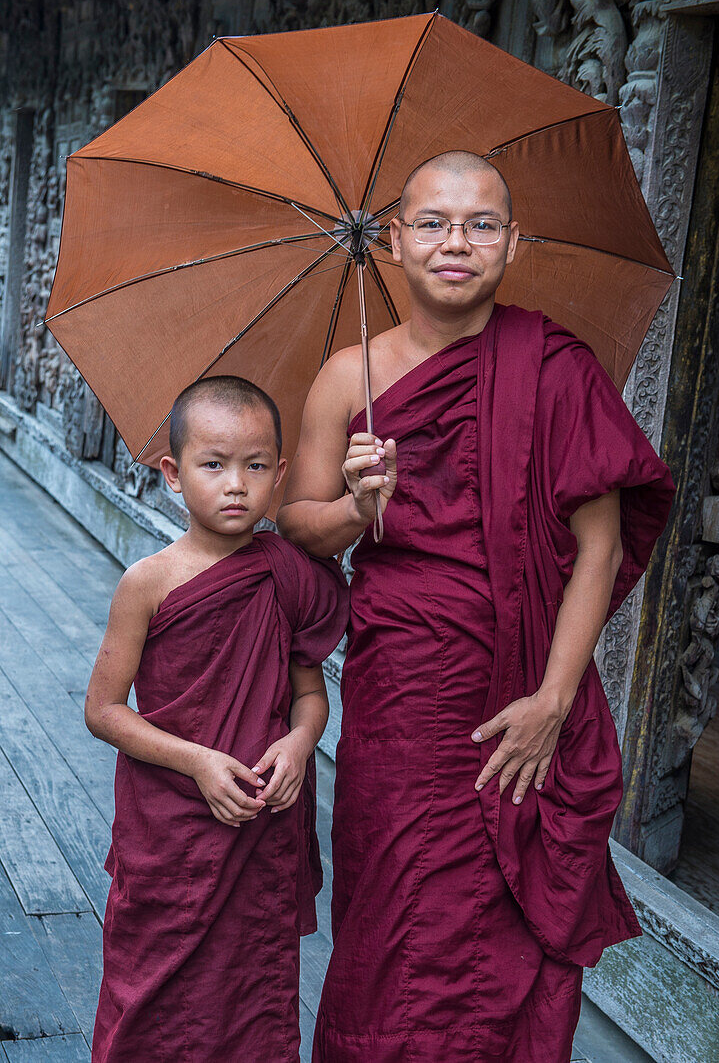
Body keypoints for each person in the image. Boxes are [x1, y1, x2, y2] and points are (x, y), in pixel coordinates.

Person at [277, 152, 675, 1062]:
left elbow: (599, 545)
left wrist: (552, 704)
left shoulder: (555, 365)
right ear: (392, 243)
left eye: (480, 224)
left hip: (522, 699)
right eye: (431, 222)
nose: (455, 242)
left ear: (513, 243)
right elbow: (299, 530)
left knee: (506, 943)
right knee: (393, 920)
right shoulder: (349, 378)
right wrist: (353, 504)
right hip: (403, 705)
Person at [86, 375, 349, 1063]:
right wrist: (197, 761)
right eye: (214, 465)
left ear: (280, 475)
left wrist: (298, 743)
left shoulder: (287, 575)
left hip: (258, 822)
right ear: (173, 474)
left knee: (249, 989)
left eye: (255, 466)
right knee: (153, 987)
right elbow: (103, 710)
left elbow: (309, 695)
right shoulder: (148, 581)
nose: (236, 484)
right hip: (171, 823)